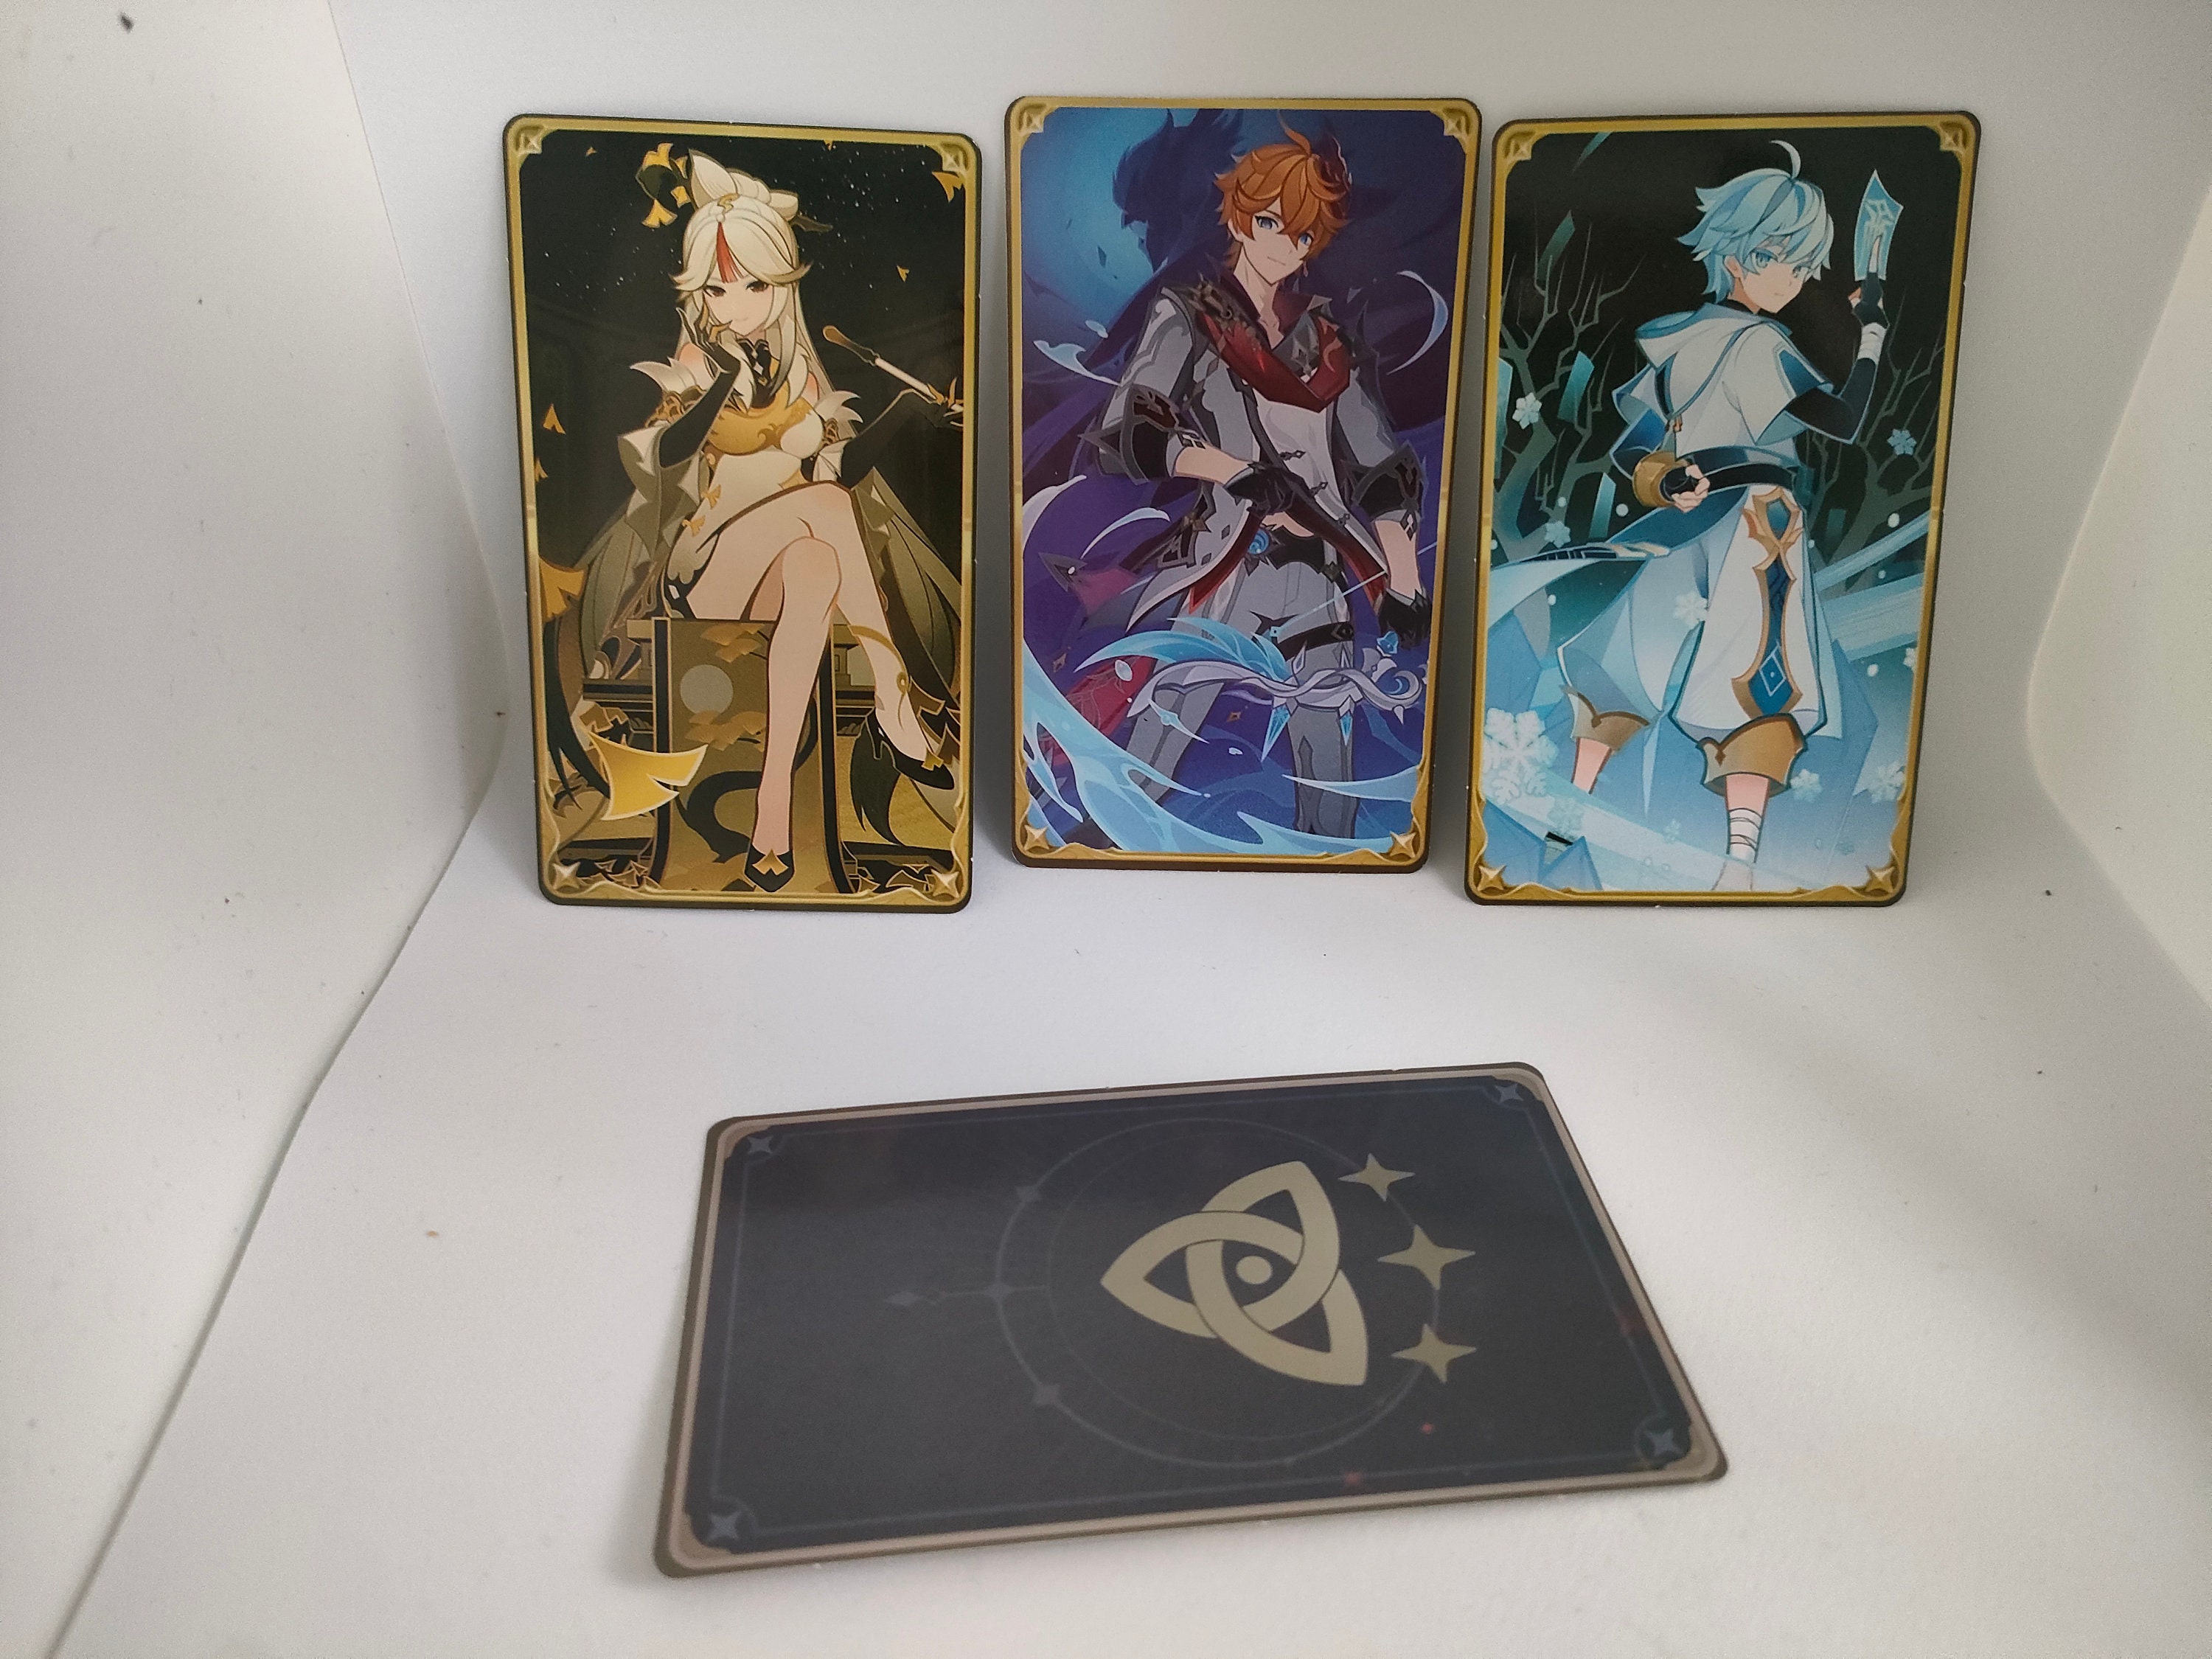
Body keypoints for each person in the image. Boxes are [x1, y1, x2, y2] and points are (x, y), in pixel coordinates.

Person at [575, 154, 949, 891]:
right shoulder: (696, 360)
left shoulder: (800, 372)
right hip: (707, 568)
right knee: (823, 510)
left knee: (818, 560)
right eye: (717, 288)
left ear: (781, 287)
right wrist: (719, 383)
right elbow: (666, 457)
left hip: (783, 566)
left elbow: (835, 471)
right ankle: (893, 694)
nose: (734, 304)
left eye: (753, 285)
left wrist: (906, 412)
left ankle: (772, 806)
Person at [1555, 144, 1888, 889]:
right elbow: (1843, 420)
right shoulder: (1759, 343)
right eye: (1785, 259)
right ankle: (1733, 865)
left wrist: (1664, 478)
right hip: (1753, 526)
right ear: (1739, 256)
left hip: (1689, 521)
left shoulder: (1681, 337)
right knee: (1756, 680)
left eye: (1803, 264)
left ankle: (1567, 821)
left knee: (1630, 659)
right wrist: (1870, 334)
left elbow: (1634, 450)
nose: (1796, 278)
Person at [1088, 127, 1430, 840]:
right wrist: (1234, 472)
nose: (1283, 245)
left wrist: (1403, 581)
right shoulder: (1191, 316)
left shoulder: (1326, 340)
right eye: (1271, 222)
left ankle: (1328, 875)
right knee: (1164, 728)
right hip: (1229, 563)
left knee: (1328, 764)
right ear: (1241, 219)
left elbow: (1377, 465)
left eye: (1301, 235)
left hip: (1321, 570)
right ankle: (1106, 850)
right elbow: (1133, 426)